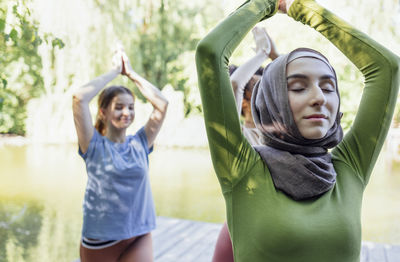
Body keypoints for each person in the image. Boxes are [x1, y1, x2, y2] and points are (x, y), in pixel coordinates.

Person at [195, 0, 399, 261]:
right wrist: (267, 4)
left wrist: (301, 8)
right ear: (273, 99)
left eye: (328, 88)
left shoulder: (350, 167)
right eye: (298, 87)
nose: (319, 98)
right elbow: (209, 54)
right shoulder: (242, 169)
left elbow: (387, 68)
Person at [72, 49, 168, 262]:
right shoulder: (94, 144)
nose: (127, 112)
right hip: (101, 240)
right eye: (119, 107)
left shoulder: (140, 143)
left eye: (131, 107)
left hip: (139, 233)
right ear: (103, 112)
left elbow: (162, 104)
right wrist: (115, 71)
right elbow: (79, 98)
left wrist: (131, 73)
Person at [212, 26, 279, 262]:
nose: (266, 95)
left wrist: (275, 55)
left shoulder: (284, 134)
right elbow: (234, 84)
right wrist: (262, 53)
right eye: (257, 90)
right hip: (239, 226)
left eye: (268, 90)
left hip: (279, 227)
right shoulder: (235, 135)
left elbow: (297, 83)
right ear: (243, 102)